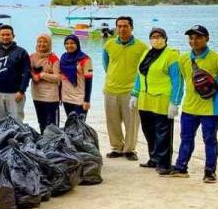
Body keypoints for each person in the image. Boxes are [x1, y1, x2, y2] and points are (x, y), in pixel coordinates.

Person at [166, 25, 218, 183]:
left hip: (211, 109)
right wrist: (175, 102)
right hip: (189, 107)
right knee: (186, 138)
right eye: (191, 38)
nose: (194, 41)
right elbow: (184, 80)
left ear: (207, 39)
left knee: (210, 139)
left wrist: (214, 94)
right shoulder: (183, 59)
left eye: (198, 37)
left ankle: (210, 171)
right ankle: (181, 168)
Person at [130, 27, 182, 174]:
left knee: (163, 133)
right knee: (149, 131)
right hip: (145, 100)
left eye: (159, 36)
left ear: (165, 38)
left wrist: (175, 102)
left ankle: (164, 164)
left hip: (162, 100)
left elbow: (178, 80)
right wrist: (134, 94)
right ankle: (154, 158)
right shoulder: (147, 52)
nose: (156, 39)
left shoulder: (171, 56)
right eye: (153, 36)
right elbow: (139, 75)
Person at [103, 16, 148, 161]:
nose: (122, 29)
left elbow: (143, 70)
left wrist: (137, 89)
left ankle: (129, 149)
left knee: (132, 122)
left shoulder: (142, 47)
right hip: (111, 89)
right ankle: (116, 147)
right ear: (116, 28)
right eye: (119, 26)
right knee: (112, 121)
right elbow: (106, 64)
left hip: (131, 90)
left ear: (132, 28)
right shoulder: (109, 45)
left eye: (125, 26)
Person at [0, 25, 30, 123]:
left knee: (17, 122)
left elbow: (26, 73)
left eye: (8, 35)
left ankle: (17, 139)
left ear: (13, 36)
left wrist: (21, 91)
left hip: (15, 94)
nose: (5, 37)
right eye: (3, 35)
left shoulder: (21, 52)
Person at [30, 34, 61, 132]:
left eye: (45, 42)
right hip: (37, 94)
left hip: (51, 96)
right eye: (39, 41)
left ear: (49, 44)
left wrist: (42, 75)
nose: (41, 44)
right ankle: (44, 144)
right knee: (41, 122)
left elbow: (58, 77)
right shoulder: (32, 57)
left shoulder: (53, 58)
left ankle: (54, 145)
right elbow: (27, 71)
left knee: (52, 125)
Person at [60, 34, 93, 116]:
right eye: (66, 43)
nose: (69, 45)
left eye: (72, 43)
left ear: (77, 44)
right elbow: (60, 77)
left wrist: (87, 100)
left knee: (79, 126)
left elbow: (89, 81)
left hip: (79, 98)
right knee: (70, 125)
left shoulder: (85, 59)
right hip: (66, 97)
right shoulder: (63, 58)